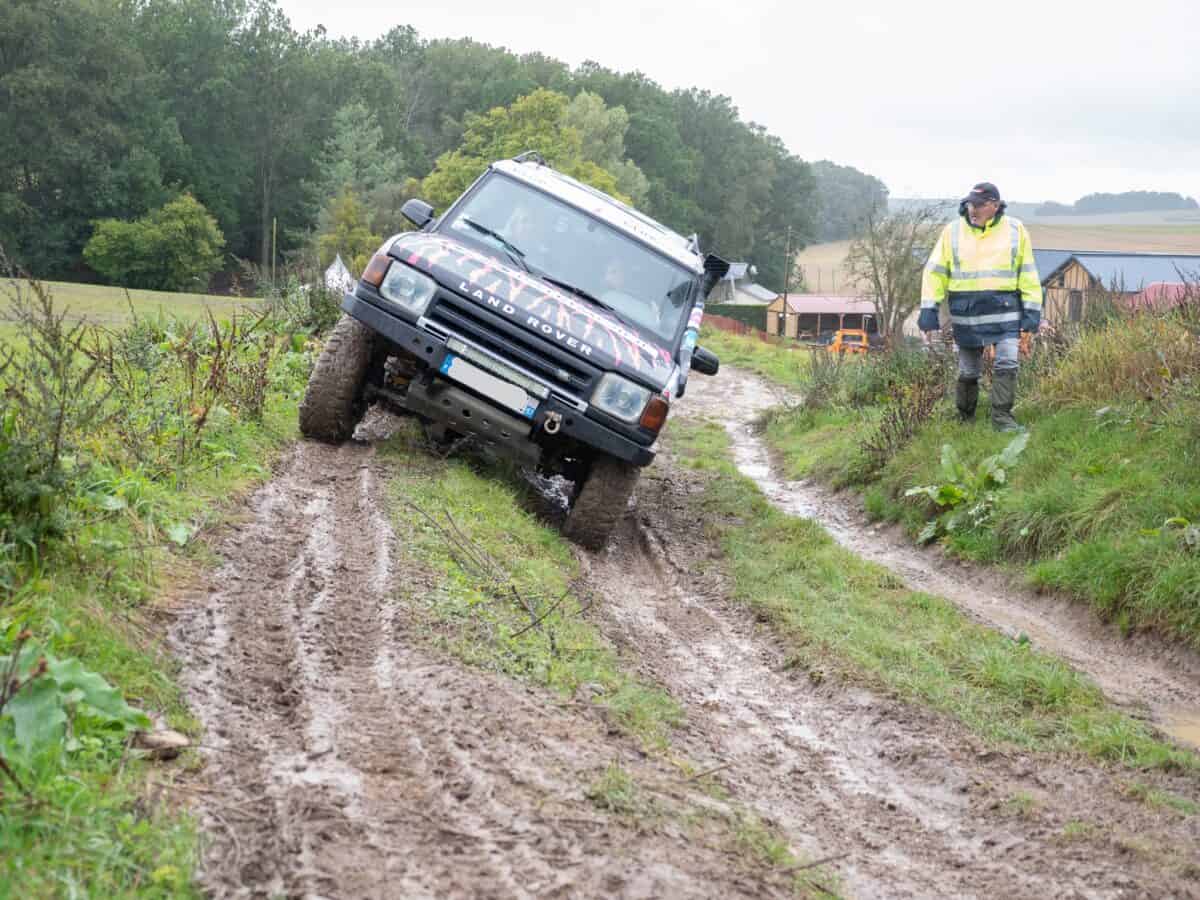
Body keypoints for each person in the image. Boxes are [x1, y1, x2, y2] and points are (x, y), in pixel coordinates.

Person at [918, 182, 1042, 431]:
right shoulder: (952, 231)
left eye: (978, 204)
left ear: (994, 206)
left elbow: (1028, 273)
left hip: (1005, 311)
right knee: (968, 370)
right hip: (967, 314)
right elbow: (935, 273)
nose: (972, 209)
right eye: (969, 204)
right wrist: (928, 311)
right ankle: (965, 418)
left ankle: (1002, 419)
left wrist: (1031, 315)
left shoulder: (1016, 230)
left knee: (1007, 362)